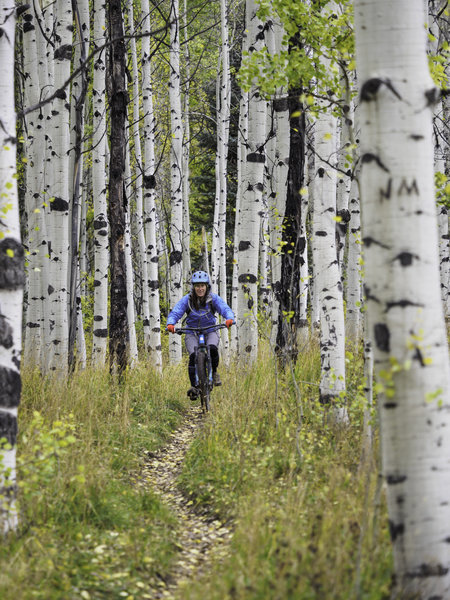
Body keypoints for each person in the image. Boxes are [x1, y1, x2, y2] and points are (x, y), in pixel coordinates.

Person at [166, 270, 234, 398]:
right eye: (197, 286)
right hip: (192, 331)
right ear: (193, 287)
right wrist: (171, 323)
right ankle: (194, 386)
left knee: (213, 348)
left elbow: (225, 309)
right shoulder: (187, 300)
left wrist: (229, 318)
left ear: (207, 286)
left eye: (202, 285)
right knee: (193, 356)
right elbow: (176, 312)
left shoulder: (213, 299)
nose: (200, 288)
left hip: (210, 329)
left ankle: (214, 373)